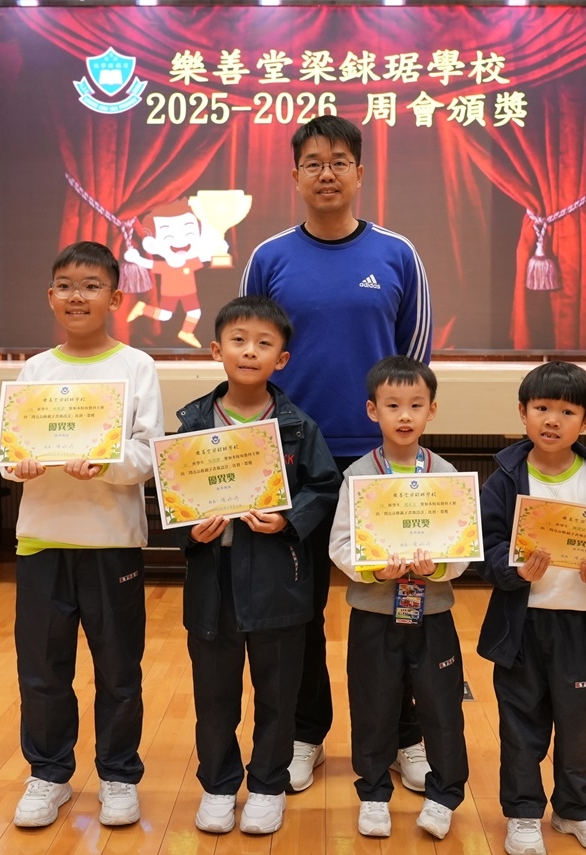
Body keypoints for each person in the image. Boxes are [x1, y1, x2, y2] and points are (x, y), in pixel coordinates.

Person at [240, 114, 434, 794]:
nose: (327, 173)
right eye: (313, 162)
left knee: (400, 602)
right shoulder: (269, 257)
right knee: (297, 613)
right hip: (293, 465)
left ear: (360, 172)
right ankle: (305, 734)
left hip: (381, 465)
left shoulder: (398, 254)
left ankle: (406, 735)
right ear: (294, 175)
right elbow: (249, 350)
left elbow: (414, 364)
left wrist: (399, 438)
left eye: (340, 161)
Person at [2, 241, 163, 829]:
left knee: (119, 670)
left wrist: (105, 464)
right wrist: (17, 465)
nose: (78, 296)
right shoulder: (35, 370)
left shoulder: (137, 366)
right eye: (67, 286)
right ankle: (49, 775)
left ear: (115, 298)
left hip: (111, 542)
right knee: (42, 671)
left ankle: (119, 776)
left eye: (92, 286)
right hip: (42, 542)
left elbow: (148, 455)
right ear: (51, 296)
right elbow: (10, 452)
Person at [173, 295, 341, 835]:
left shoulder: (298, 426)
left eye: (264, 344)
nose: (250, 352)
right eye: (239, 341)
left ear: (281, 359)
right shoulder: (192, 422)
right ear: (216, 350)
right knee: (214, 695)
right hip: (213, 582)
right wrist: (189, 532)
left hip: (277, 579)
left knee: (278, 693)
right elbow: (171, 495)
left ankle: (268, 786)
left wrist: (288, 521)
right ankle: (219, 786)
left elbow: (325, 488)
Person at [476, 362, 586, 855]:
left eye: (567, 411)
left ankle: (576, 809)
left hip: (582, 626)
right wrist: (515, 569)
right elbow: (484, 547)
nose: (552, 419)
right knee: (520, 725)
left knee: (576, 725)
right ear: (522, 412)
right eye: (542, 408)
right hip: (521, 628)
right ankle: (523, 814)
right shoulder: (505, 478)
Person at [328, 356, 470, 841]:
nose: (404, 415)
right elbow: (340, 545)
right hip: (373, 613)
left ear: (432, 410)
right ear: (373, 411)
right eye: (392, 405)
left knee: (442, 707)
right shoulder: (358, 475)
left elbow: (463, 547)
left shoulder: (445, 474)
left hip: (433, 612)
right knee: (372, 705)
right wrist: (372, 569)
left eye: (415, 405)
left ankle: (443, 796)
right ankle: (372, 795)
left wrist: (440, 568)